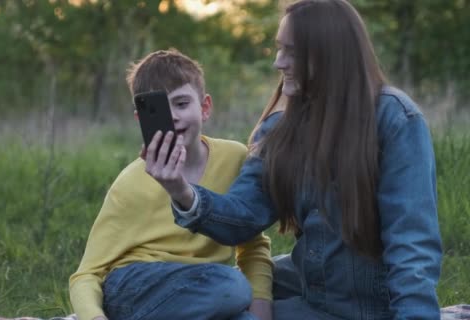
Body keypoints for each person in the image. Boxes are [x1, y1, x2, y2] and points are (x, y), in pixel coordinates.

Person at [143, 1, 443, 319]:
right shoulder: (280, 130)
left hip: (365, 307)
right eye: (278, 49)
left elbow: (412, 243)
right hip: (310, 284)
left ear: (332, 56)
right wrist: (181, 190)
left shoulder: (394, 119)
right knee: (220, 288)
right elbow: (242, 217)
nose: (278, 62)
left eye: (292, 52)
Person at [68, 49, 274, 320]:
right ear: (141, 119)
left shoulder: (234, 158)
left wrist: (262, 311)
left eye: (181, 104)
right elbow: (87, 273)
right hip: (134, 287)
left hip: (203, 291)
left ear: (205, 107)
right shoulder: (131, 182)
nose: (173, 116)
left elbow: (251, 243)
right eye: (160, 109)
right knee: (232, 287)